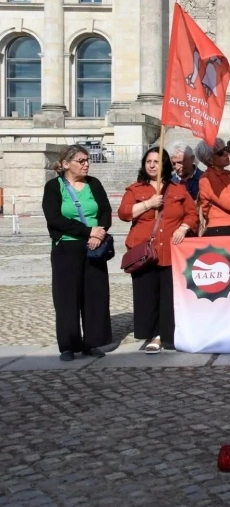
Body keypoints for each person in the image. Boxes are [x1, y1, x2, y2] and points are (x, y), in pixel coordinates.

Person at [119, 147, 198, 354]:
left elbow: (192, 214)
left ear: (164, 165)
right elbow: (124, 213)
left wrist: (183, 227)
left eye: (156, 161)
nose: (152, 165)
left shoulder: (178, 189)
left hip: (171, 251)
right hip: (145, 251)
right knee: (147, 294)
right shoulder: (135, 189)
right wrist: (148, 204)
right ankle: (152, 333)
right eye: (148, 161)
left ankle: (166, 334)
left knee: (169, 295)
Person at [42, 145, 113, 361]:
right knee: (67, 297)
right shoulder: (54, 187)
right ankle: (69, 345)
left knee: (94, 296)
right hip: (66, 248)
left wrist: (98, 233)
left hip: (94, 248)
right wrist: (87, 231)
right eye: (81, 161)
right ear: (65, 164)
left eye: (87, 160)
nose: (86, 164)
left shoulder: (94, 184)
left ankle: (92, 342)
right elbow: (55, 219)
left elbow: (106, 211)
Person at [196, 138, 230, 237]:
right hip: (221, 229)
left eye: (226, 149)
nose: (227, 154)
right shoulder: (207, 178)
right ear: (210, 159)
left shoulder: (228, 174)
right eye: (221, 153)